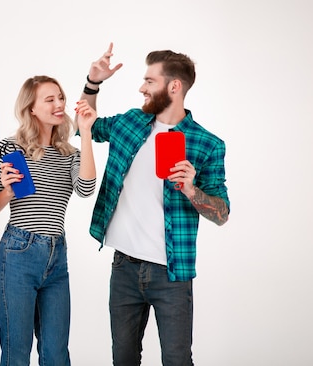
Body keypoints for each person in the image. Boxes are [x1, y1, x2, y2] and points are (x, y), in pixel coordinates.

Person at [80, 43, 230, 365]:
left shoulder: (208, 144)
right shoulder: (131, 122)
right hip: (124, 268)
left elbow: (222, 214)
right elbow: (88, 125)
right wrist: (93, 83)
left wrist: (192, 190)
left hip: (172, 275)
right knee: (123, 358)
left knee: (177, 359)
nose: (141, 88)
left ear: (173, 86)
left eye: (150, 81)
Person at [0, 75, 98, 365]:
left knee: (56, 354)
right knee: (17, 352)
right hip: (18, 254)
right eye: (50, 99)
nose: (59, 104)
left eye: (60, 97)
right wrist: (8, 191)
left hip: (56, 257)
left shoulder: (69, 153)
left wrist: (85, 133)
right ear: (31, 108)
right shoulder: (9, 148)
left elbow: (86, 189)